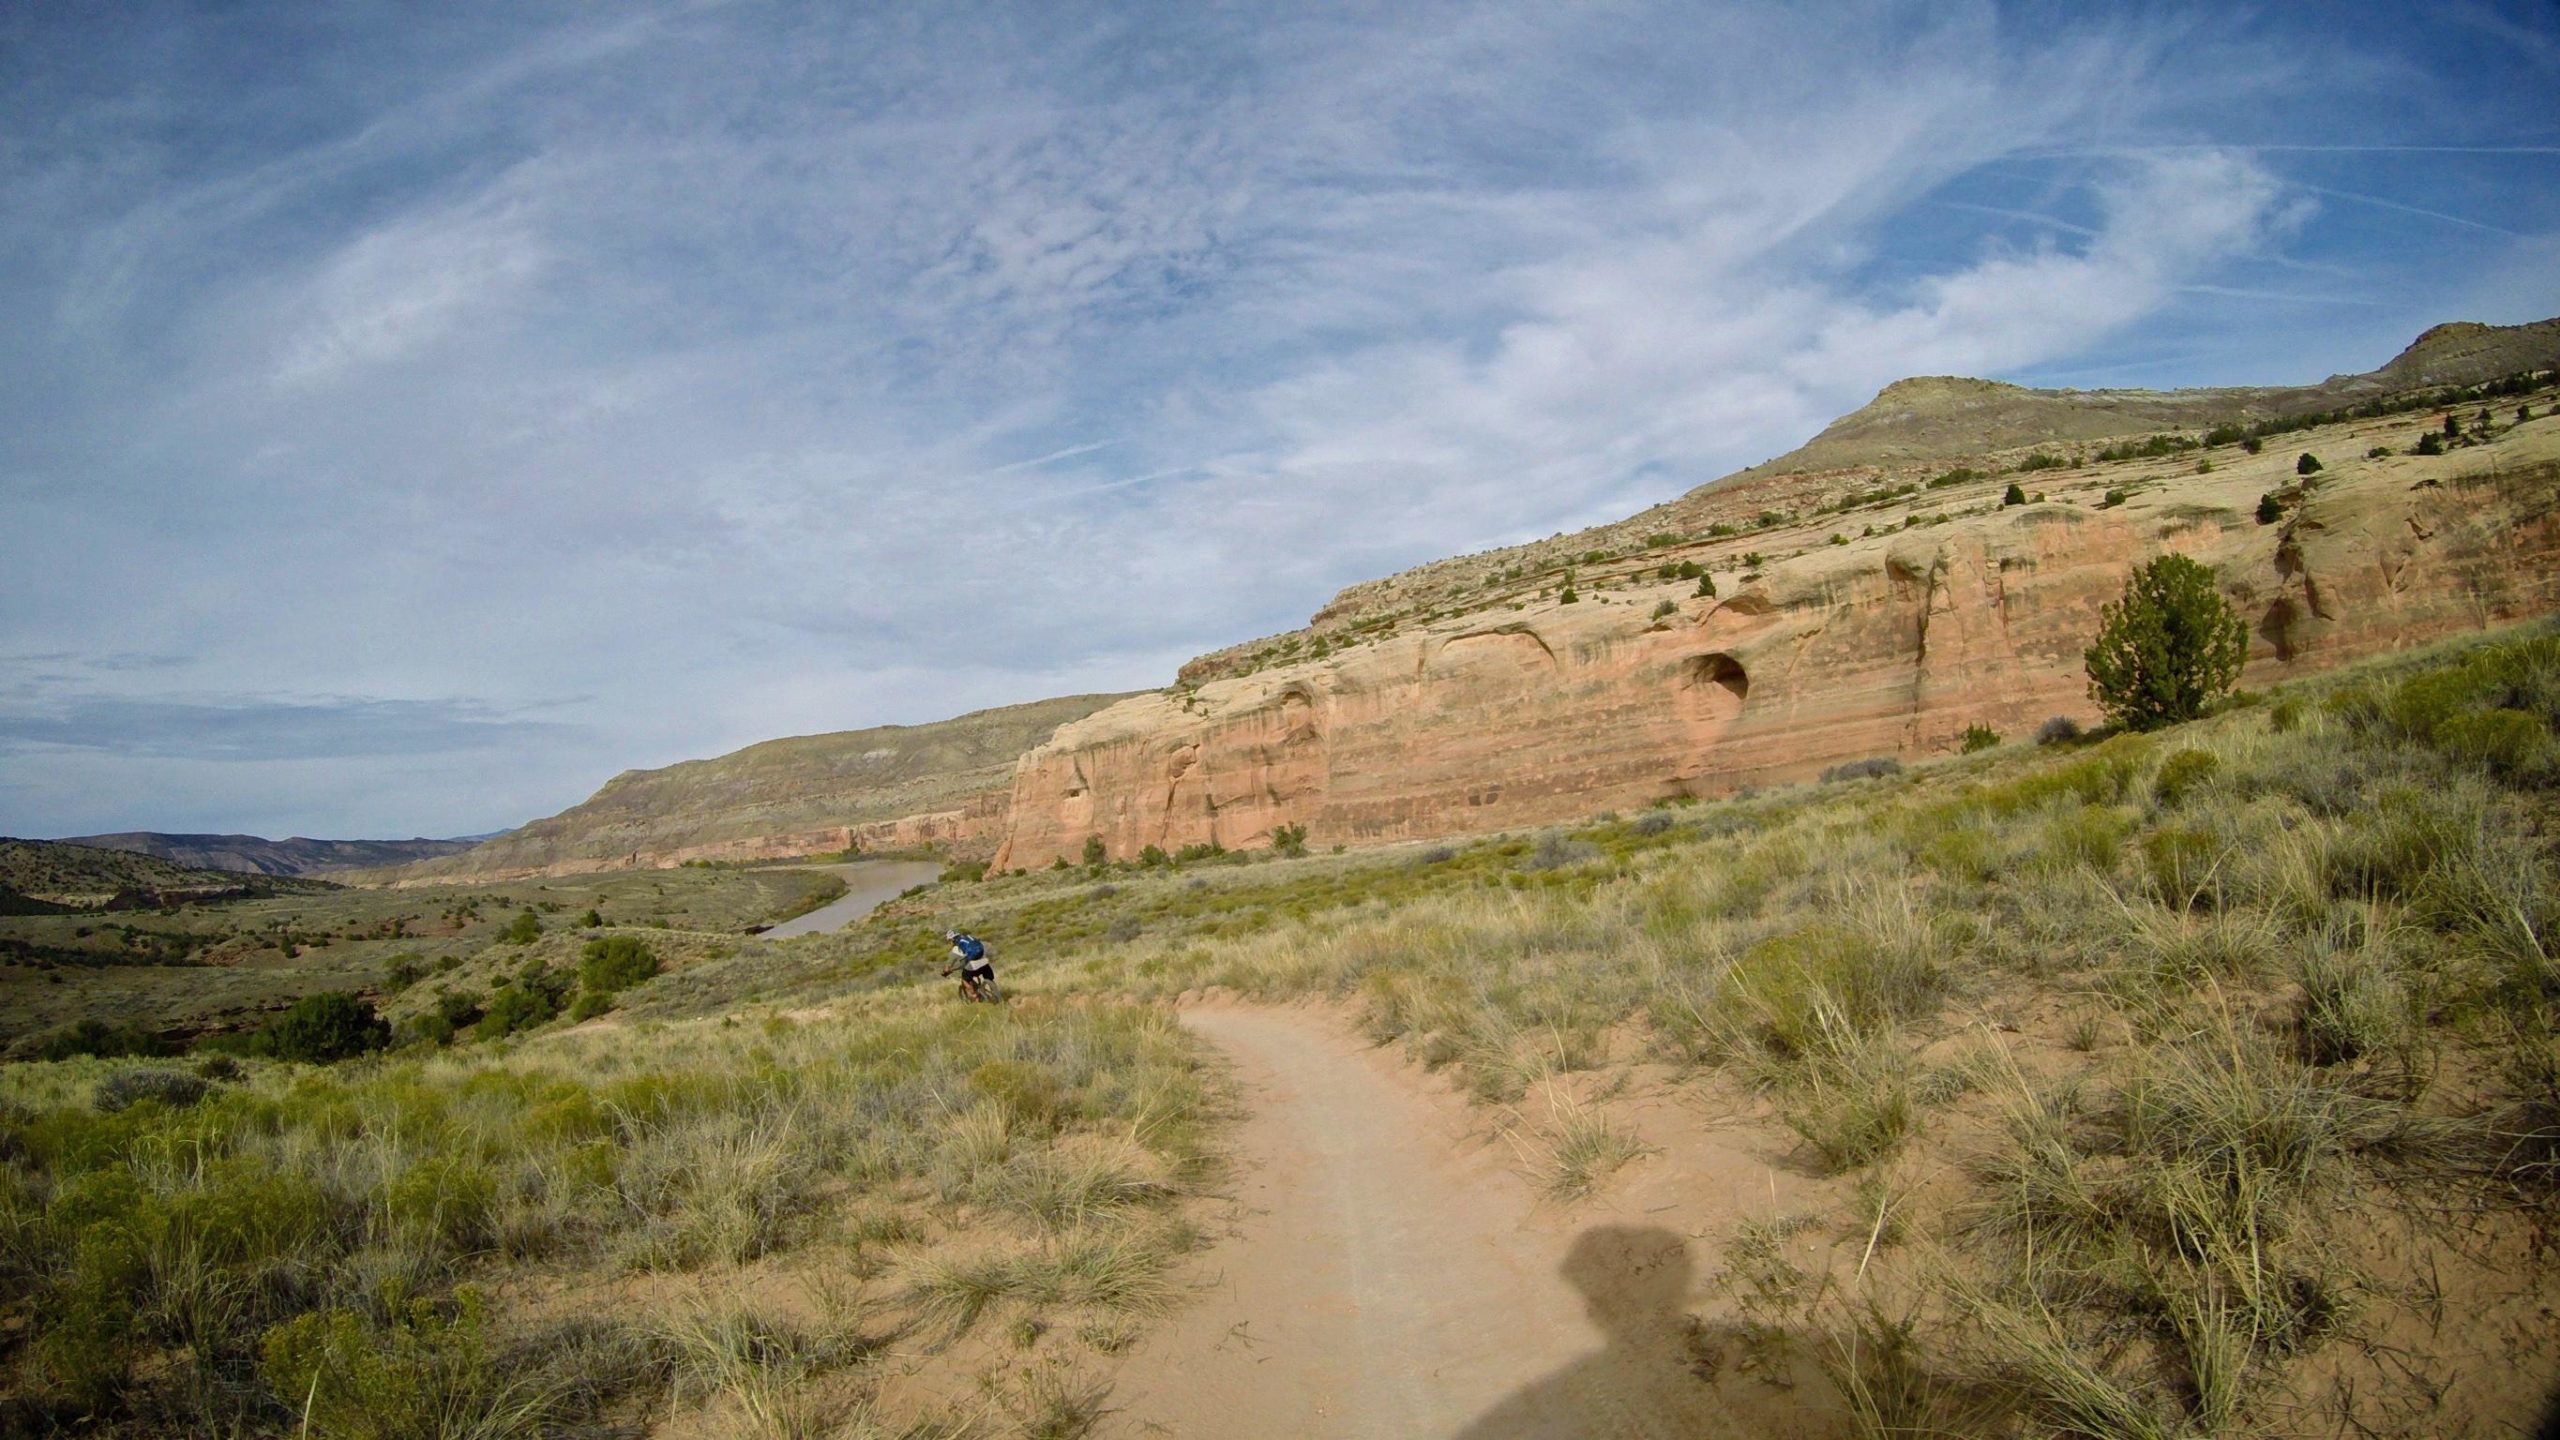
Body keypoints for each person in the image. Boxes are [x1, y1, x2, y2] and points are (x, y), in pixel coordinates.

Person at [941, 929, 996, 1001]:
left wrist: (945, 972)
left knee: (965, 979)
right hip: (983, 960)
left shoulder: (956, 948)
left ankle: (975, 996)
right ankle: (996, 992)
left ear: (952, 939)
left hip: (972, 964)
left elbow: (948, 967)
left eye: (950, 941)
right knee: (989, 978)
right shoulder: (968, 937)